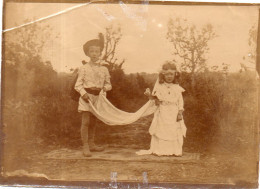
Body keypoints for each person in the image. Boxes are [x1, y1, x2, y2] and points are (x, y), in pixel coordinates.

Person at [137, 61, 186, 156]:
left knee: (173, 129)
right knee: (162, 129)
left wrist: (180, 111)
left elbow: (180, 101)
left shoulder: (177, 87)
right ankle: (161, 150)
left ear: (175, 75)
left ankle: (174, 150)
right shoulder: (160, 87)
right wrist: (149, 95)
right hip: (163, 111)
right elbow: (156, 101)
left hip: (174, 112)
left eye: (171, 74)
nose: (169, 76)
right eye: (167, 74)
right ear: (163, 75)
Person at [75, 33, 112, 157]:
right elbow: (78, 85)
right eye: (92, 51)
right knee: (85, 121)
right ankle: (85, 146)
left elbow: (109, 84)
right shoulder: (83, 68)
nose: (94, 53)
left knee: (94, 121)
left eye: (97, 51)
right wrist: (83, 93)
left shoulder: (104, 69)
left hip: (98, 98)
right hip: (87, 97)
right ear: (88, 53)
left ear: (100, 53)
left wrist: (104, 90)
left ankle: (92, 144)